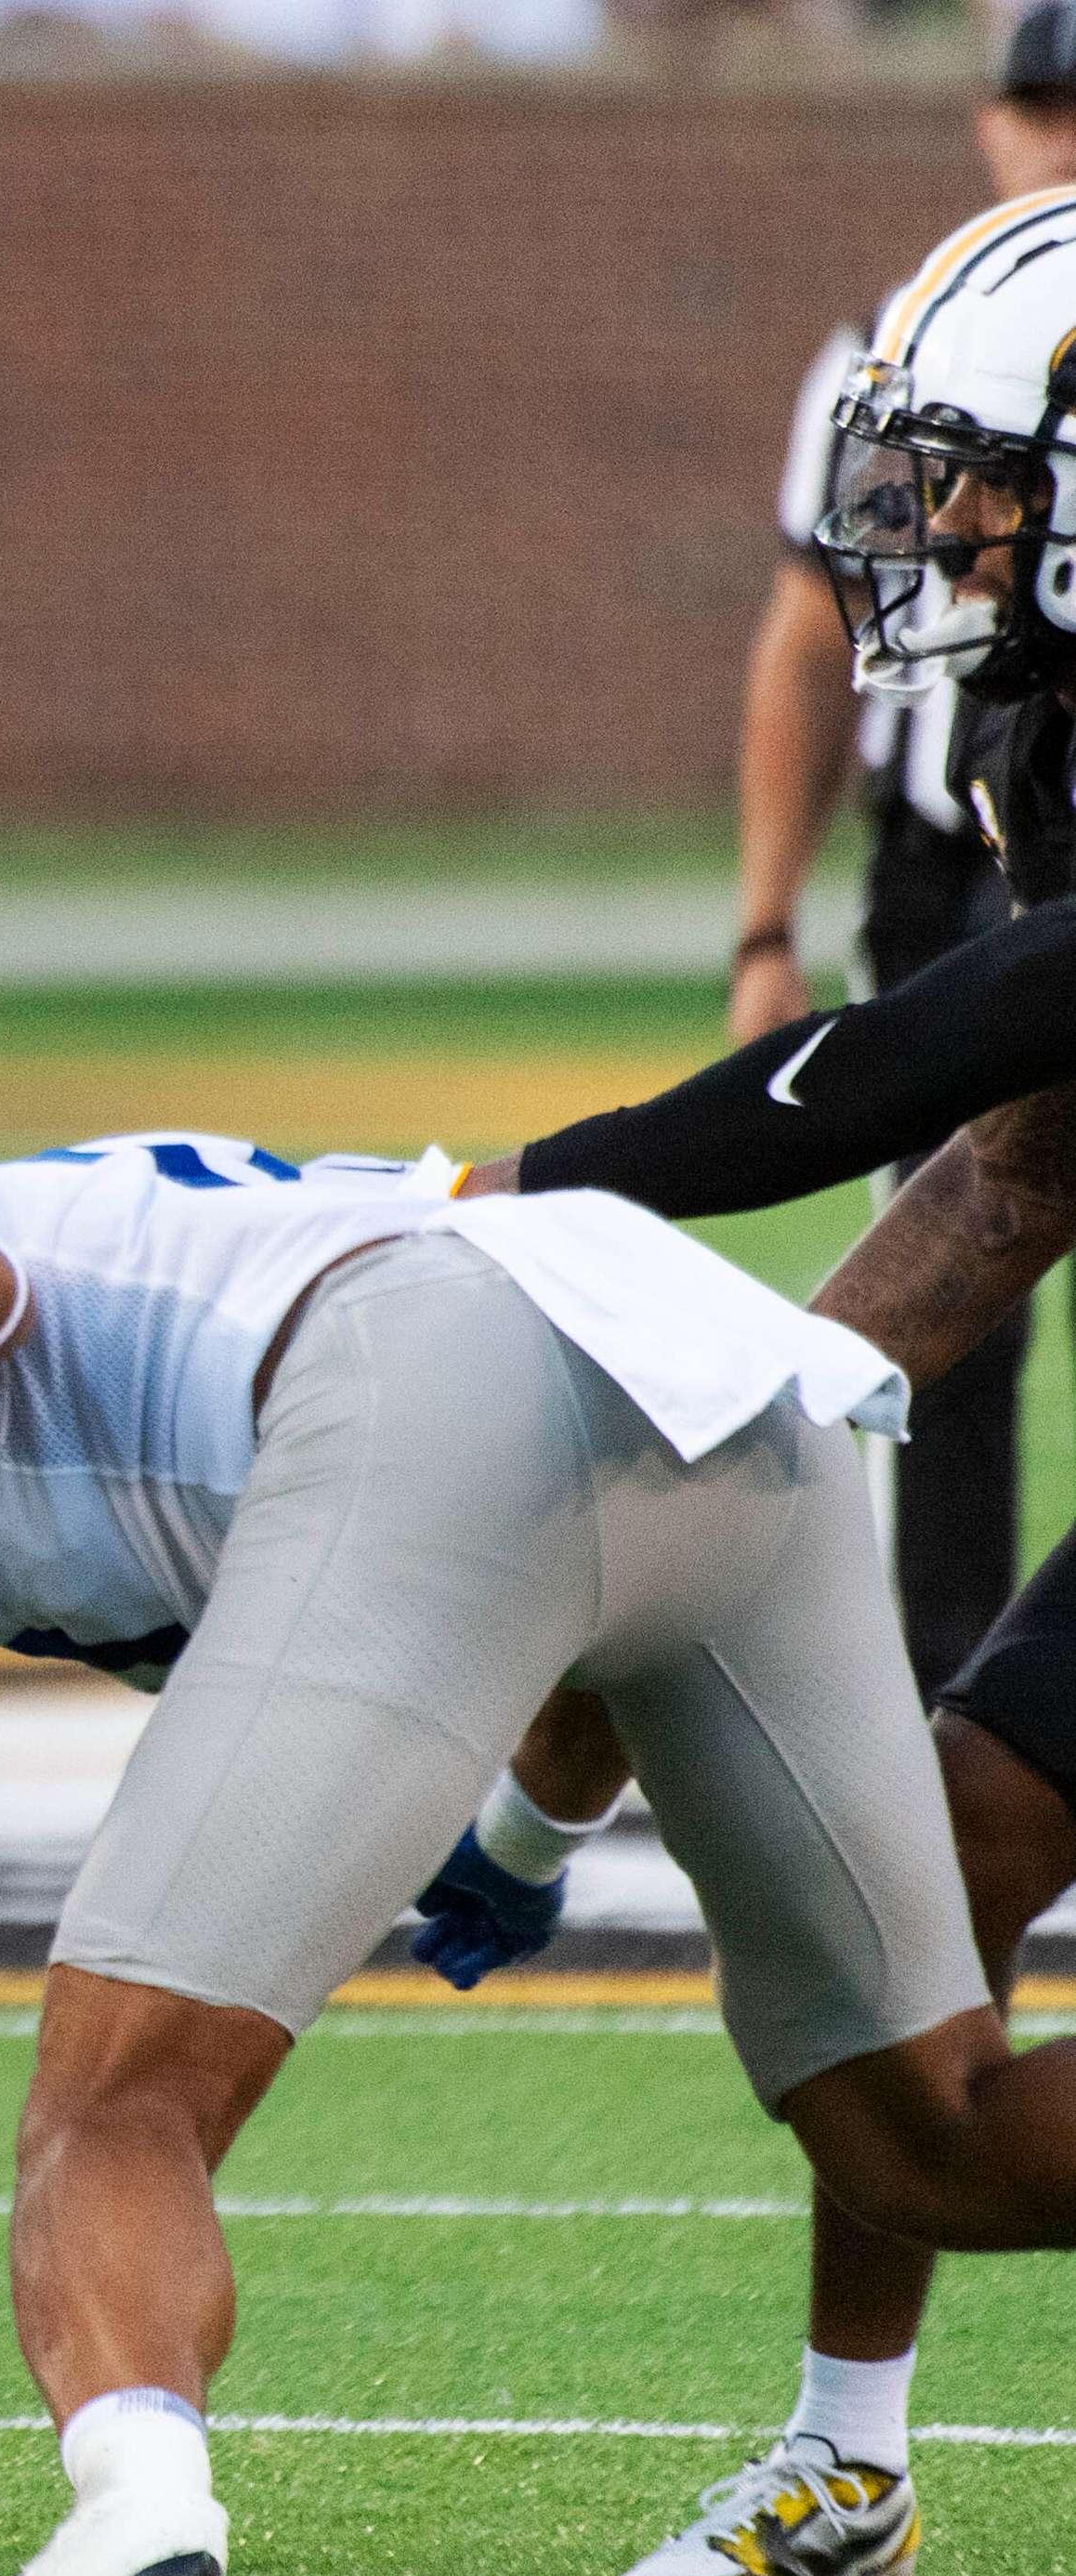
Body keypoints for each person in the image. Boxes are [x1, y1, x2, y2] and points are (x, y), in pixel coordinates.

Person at [0, 1131, 1076, 2576]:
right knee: (929, 2141)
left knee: (119, 2103)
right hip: (723, 1396)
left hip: (429, 1371)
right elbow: (583, 1567)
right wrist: (526, 1838)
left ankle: (131, 2522)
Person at [431, 181, 1076, 2576]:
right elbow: (1018, 1162)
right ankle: (849, 2457)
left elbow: (926, 1052)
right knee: (948, 1845)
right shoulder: (1042, 724)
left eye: (988, 477)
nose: (939, 527)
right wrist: (746, 1397)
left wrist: (535, 1188)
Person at [719, 9, 1076, 1699]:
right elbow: (810, 634)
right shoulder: (902, 342)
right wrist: (762, 924)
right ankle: (945, 1684)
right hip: (959, 859)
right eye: (1039, 106)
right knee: (952, 1274)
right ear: (984, 122)